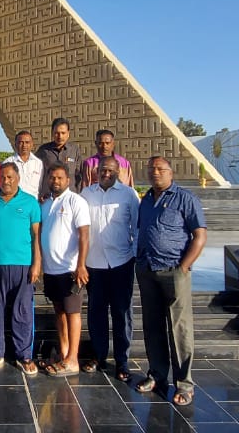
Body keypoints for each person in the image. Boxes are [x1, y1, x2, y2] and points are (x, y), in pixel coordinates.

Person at [134, 156, 207, 407]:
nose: (155, 173)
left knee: (179, 328)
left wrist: (184, 266)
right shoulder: (145, 200)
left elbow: (199, 236)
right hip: (147, 269)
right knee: (152, 325)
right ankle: (157, 374)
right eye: (151, 169)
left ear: (170, 172)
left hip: (173, 270)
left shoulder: (185, 198)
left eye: (160, 169)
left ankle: (184, 384)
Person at [0, 162, 42, 375]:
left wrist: (37, 264)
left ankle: (24, 356)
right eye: (3, 177)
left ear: (18, 179)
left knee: (22, 311)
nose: (6, 181)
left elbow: (36, 236)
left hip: (23, 265)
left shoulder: (30, 202)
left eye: (10, 177)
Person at [80, 156, 137, 381]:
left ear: (118, 172)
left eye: (111, 170)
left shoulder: (128, 194)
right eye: (103, 170)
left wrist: (134, 255)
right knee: (96, 312)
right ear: (96, 170)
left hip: (121, 262)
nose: (106, 174)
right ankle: (98, 355)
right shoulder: (86, 194)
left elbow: (137, 226)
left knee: (122, 313)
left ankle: (122, 361)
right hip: (94, 263)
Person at [38, 164, 90, 376]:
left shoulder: (76, 201)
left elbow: (84, 235)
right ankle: (64, 352)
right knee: (59, 312)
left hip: (70, 269)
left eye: (60, 178)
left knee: (73, 312)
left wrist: (81, 265)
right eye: (52, 178)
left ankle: (73, 360)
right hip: (51, 270)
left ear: (68, 180)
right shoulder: (46, 204)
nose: (55, 181)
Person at [36, 117, 82, 198]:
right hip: (49, 197)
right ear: (52, 133)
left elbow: (79, 175)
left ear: (68, 133)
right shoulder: (43, 151)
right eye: (56, 133)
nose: (60, 136)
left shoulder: (74, 150)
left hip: (70, 196)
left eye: (63, 133)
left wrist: (78, 194)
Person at [2, 130, 44, 198]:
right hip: (14, 201)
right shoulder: (7, 163)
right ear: (15, 144)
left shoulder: (38, 163)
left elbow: (41, 186)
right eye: (21, 142)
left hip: (33, 201)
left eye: (27, 142)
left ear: (32, 144)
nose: (24, 145)